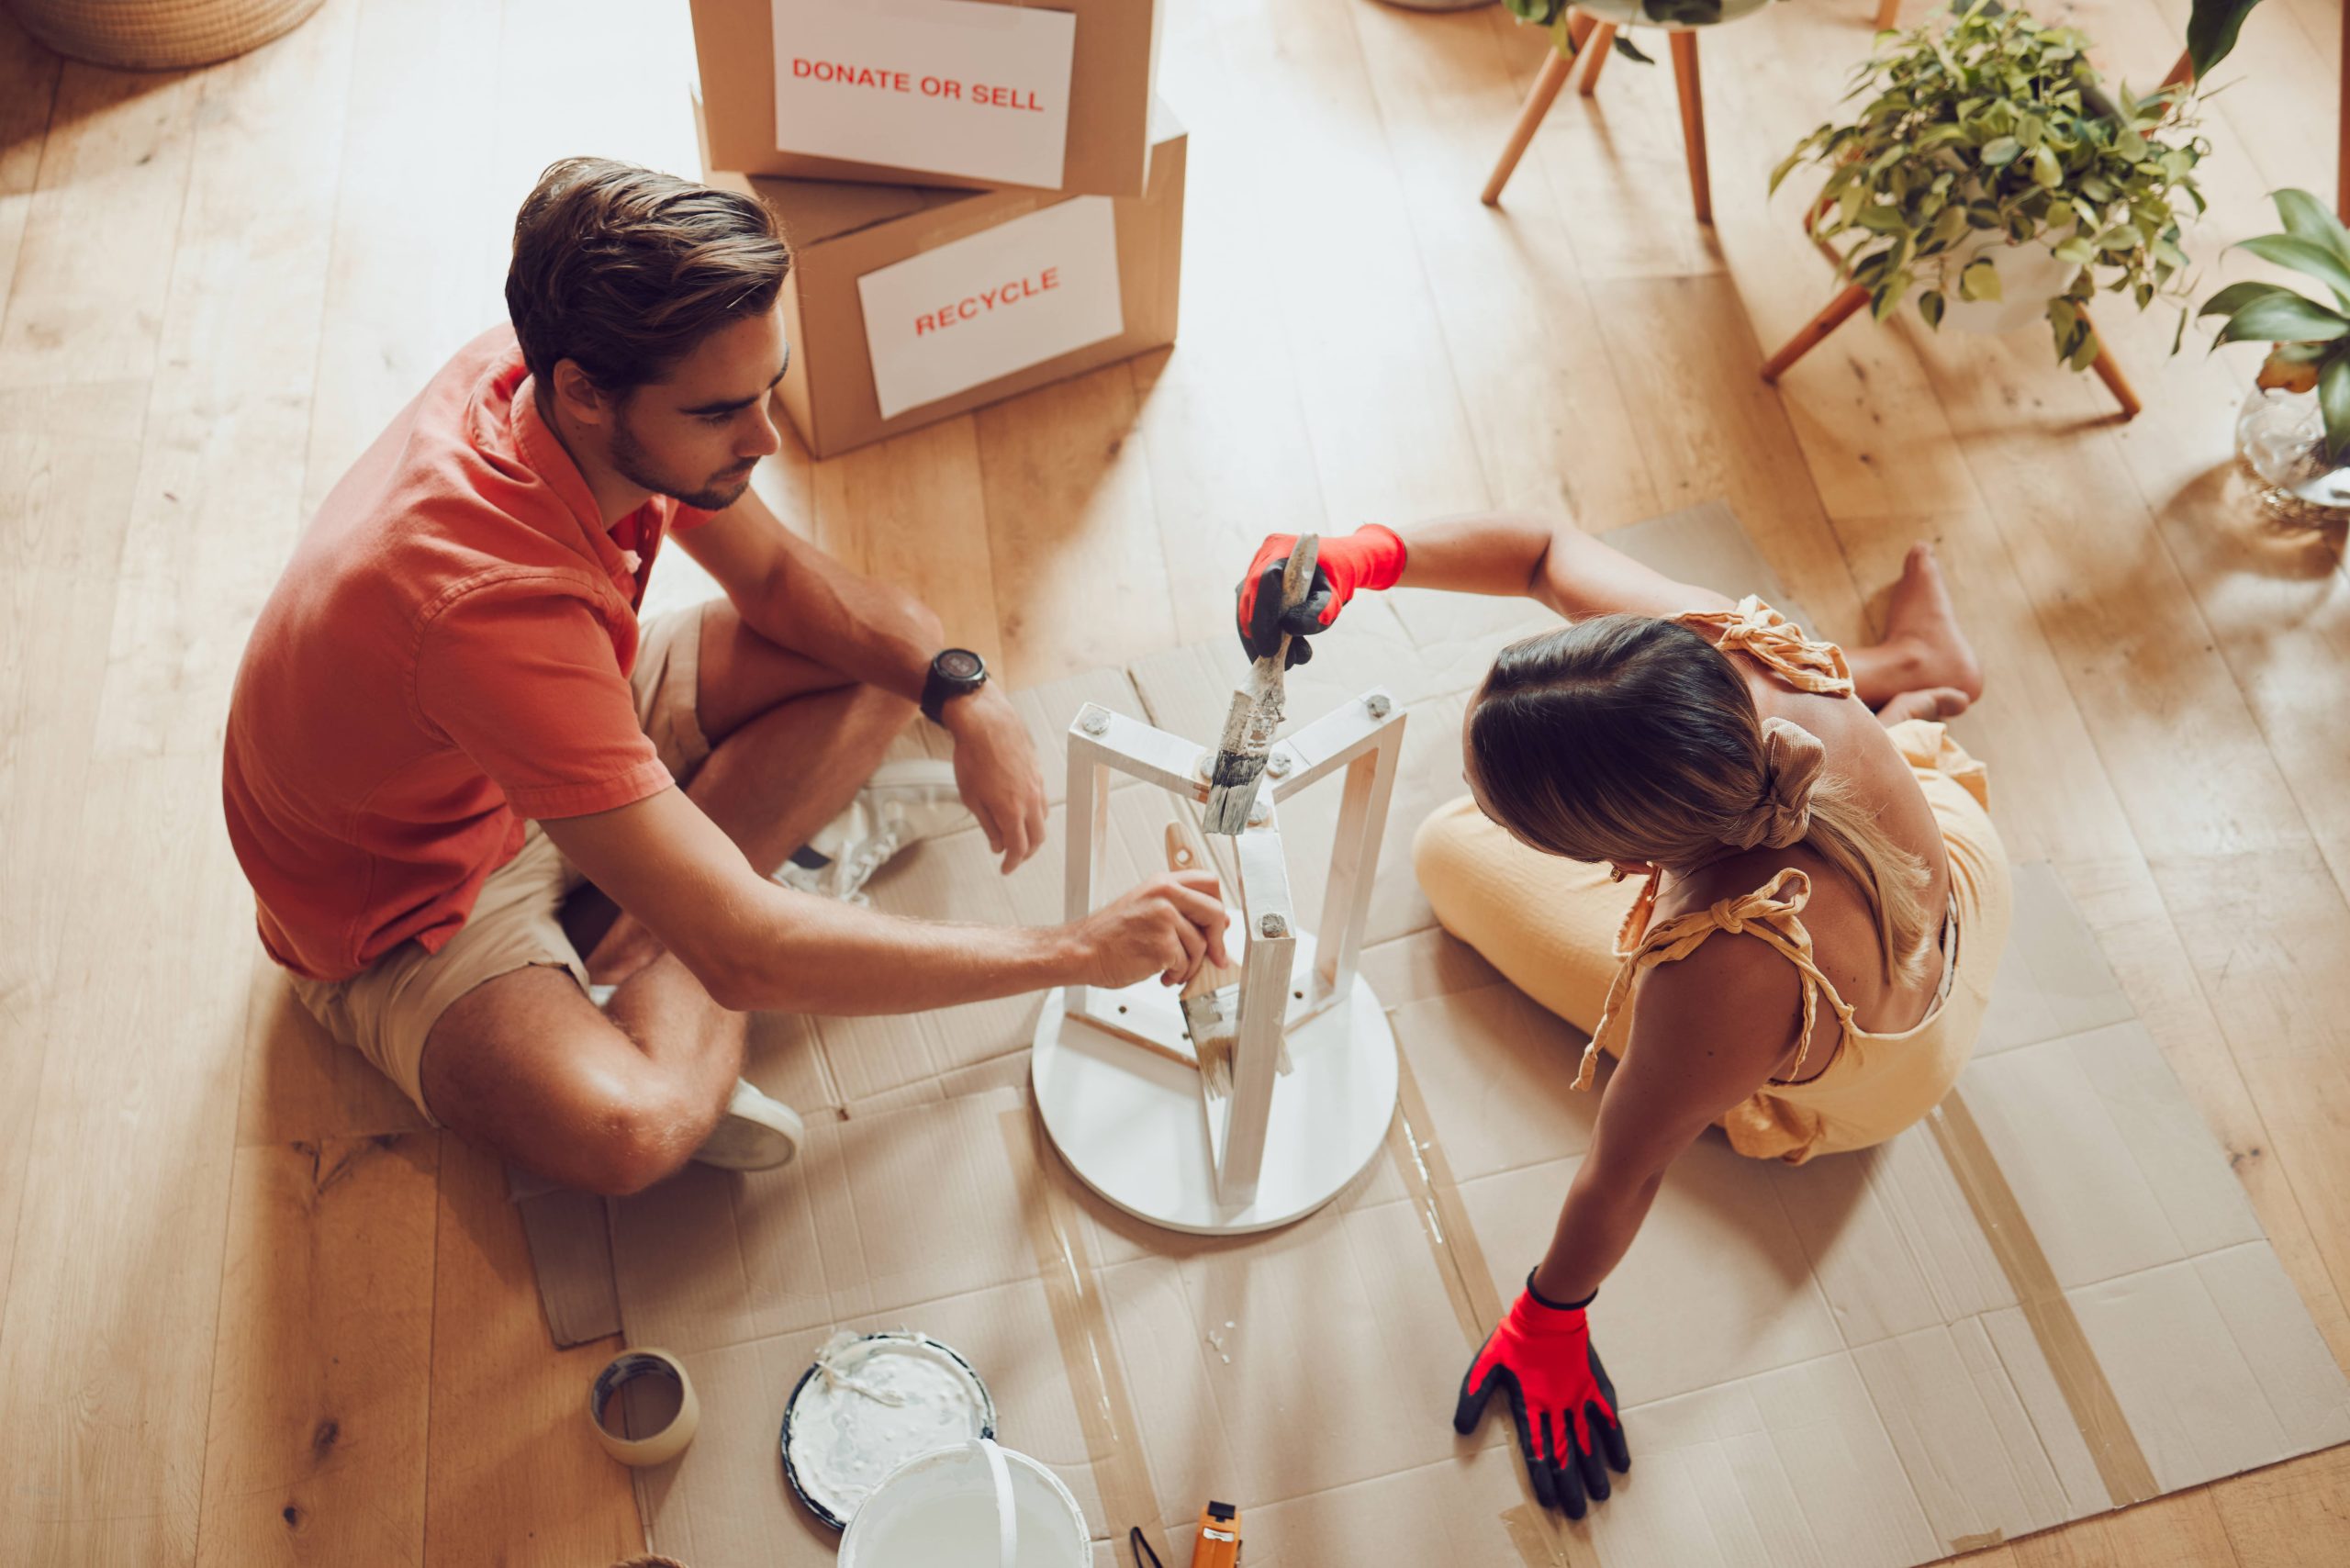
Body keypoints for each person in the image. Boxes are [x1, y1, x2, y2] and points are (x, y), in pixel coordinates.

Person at [223, 158, 1229, 1196]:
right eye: (718, 414)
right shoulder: (487, 607)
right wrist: (1074, 949)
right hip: (411, 905)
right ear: (584, 393)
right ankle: (709, 912)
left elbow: (787, 580)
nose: (764, 438)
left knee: (895, 649)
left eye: (766, 387)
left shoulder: (552, 374)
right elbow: (745, 959)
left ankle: (661, 911)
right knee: (637, 1129)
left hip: (537, 723)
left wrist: (965, 689)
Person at [1233, 514, 2012, 1518]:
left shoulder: (1719, 977)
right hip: (1945, 865)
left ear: (1633, 865)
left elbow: (1627, 1167)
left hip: (1880, 1061)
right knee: (1474, 826)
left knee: (1445, 852)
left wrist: (1549, 1314)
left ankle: (1910, 680)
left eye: (1523, 820)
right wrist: (1364, 556)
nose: (1495, 809)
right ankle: (1909, 675)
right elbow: (1540, 556)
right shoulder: (1733, 658)